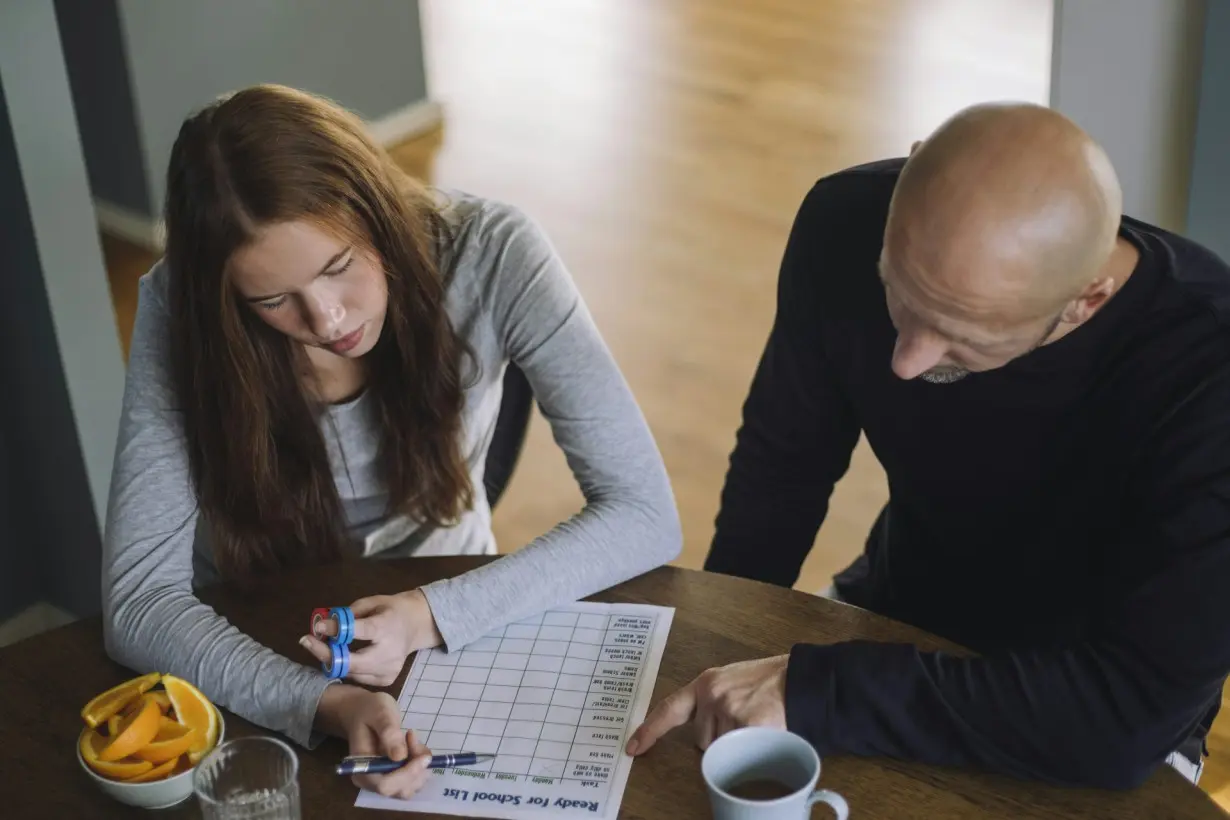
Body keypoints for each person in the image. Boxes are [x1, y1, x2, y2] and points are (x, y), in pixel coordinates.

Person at [626, 102, 1230, 789]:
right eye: (898, 292)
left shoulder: (1209, 372)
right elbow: (782, 466)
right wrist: (723, 640)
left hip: (1088, 706)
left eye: (962, 340)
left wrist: (818, 689)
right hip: (893, 609)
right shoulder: (843, 219)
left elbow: (1125, 719)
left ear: (1087, 301)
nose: (907, 362)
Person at [103, 84, 681, 799]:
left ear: (377, 212)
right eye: (272, 300)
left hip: (461, 602)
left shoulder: (493, 252)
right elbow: (138, 602)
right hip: (252, 634)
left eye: (338, 266)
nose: (326, 318)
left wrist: (433, 614)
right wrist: (327, 704)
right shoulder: (178, 307)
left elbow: (645, 514)